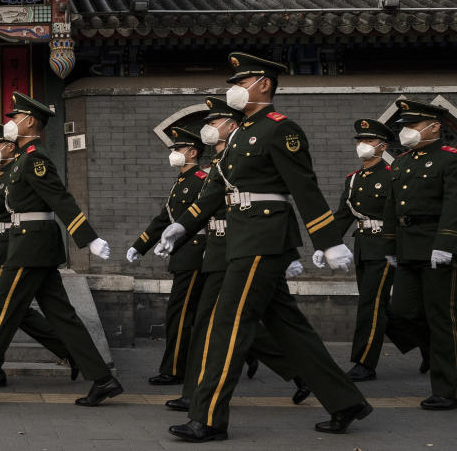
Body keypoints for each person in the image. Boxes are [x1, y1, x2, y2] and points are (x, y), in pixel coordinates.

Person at [159, 53, 370, 442]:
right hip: (244, 237)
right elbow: (218, 191)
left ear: (265, 85)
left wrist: (328, 240)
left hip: (262, 237)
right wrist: (181, 225)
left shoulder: (280, 129)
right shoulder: (239, 134)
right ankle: (346, 401)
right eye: (233, 83)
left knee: (229, 324)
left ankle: (207, 419)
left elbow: (304, 187)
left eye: (243, 82)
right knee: (290, 329)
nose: (234, 90)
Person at [0, 92, 121, 408]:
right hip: (32, 245)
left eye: (14, 117)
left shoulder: (35, 160)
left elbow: (61, 199)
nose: (10, 123)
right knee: (62, 316)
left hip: (29, 244)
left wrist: (88, 238)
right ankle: (103, 380)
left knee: (0, 313)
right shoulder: (21, 161)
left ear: (30, 121)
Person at [164, 97, 310, 413]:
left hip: (248, 248)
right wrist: (178, 228)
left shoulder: (245, 152)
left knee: (237, 323)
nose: (208, 129)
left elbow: (280, 200)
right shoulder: (220, 163)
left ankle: (206, 406)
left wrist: (291, 251)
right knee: (216, 322)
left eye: (214, 122)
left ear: (232, 125)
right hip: (220, 251)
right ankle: (195, 394)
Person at [0, 122, 75, 388]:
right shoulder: (8, 172)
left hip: (17, 247)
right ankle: (69, 350)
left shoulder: (22, 167)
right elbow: (1, 216)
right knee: (4, 311)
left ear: (8, 146)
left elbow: (5, 214)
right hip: (7, 247)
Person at [325, 118, 417, 382]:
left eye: (368, 141)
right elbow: (344, 215)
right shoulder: (354, 179)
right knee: (380, 306)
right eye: (360, 141)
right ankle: (428, 346)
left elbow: (400, 213)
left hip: (385, 246)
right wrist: (326, 243)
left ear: (382, 146)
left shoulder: (392, 175)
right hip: (364, 246)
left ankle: (364, 362)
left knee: (370, 304)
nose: (362, 145)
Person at [382, 98, 457, 410]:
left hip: (436, 247)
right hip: (408, 247)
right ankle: (435, 355)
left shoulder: (449, 159)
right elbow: (390, 207)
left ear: (434, 127)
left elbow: (454, 204)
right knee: (401, 311)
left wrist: (446, 242)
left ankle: (447, 389)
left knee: (442, 318)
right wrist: (389, 247)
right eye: (405, 127)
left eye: (412, 126)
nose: (406, 132)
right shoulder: (400, 163)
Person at [125, 127, 207, 386]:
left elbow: (199, 219)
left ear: (193, 152)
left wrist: (175, 240)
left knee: (180, 313)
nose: (174, 154)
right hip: (184, 254)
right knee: (197, 313)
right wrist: (140, 245)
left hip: (196, 254)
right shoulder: (181, 182)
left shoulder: (202, 179)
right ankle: (248, 352)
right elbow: (164, 219)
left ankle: (174, 370)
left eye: (179, 149)